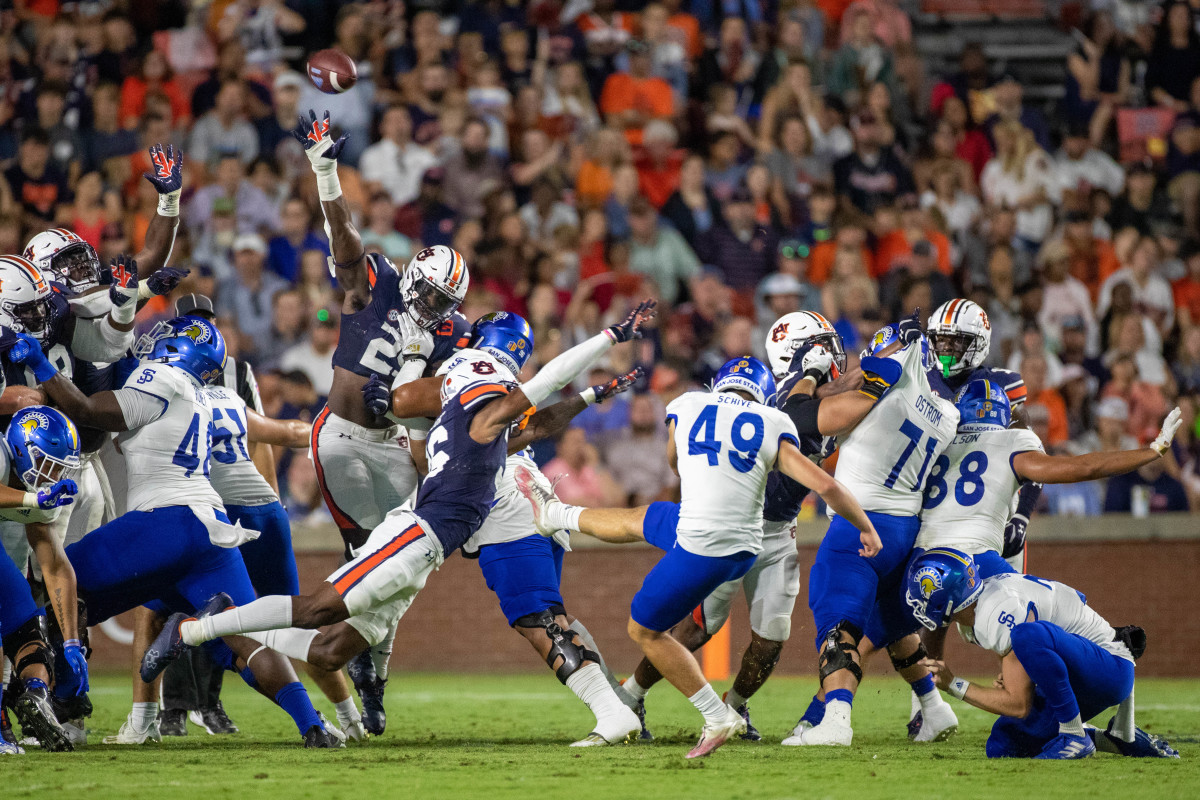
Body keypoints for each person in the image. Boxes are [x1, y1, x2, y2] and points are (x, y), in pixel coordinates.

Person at [145, 304, 657, 747]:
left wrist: (591, 397)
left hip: (428, 536)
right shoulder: (484, 408)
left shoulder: (466, 410)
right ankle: (198, 627)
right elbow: (533, 391)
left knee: (330, 647)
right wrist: (610, 337)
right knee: (320, 608)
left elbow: (515, 421)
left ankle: (333, 662)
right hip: (420, 533)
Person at [517, 354, 880, 758]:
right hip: (742, 537)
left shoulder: (688, 404)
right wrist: (866, 526)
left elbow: (674, 463)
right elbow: (827, 485)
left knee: (647, 628)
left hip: (714, 537)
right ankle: (556, 514)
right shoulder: (775, 421)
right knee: (645, 520)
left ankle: (720, 713)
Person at [7, 317, 340, 747]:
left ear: (179, 350)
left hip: (164, 522)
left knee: (58, 587)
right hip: (210, 532)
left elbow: (88, 411)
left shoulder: (160, 378)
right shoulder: (206, 395)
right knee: (244, 641)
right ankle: (311, 724)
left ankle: (70, 710)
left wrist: (42, 364)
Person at [294, 110, 471, 733]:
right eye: (427, 294)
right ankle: (336, 663)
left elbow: (442, 400)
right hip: (341, 437)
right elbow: (345, 244)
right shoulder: (377, 283)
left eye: (442, 304)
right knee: (362, 557)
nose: (429, 308)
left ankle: (375, 675)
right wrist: (325, 171)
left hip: (393, 442)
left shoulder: (450, 336)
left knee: (405, 560)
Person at [615, 312, 844, 741]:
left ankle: (735, 707)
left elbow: (851, 399)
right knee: (699, 625)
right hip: (734, 523)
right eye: (822, 347)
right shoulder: (767, 405)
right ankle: (632, 693)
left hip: (779, 531)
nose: (833, 355)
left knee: (773, 634)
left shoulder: (823, 396)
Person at [785, 318, 960, 747]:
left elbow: (803, 419)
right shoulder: (948, 412)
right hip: (904, 530)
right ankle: (935, 709)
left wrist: (809, 377)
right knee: (893, 627)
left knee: (837, 628)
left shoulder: (889, 373)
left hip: (860, 526)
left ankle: (836, 721)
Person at [910, 549, 1180, 759]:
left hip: (1110, 669)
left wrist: (954, 684)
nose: (921, 602)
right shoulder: (982, 606)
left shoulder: (996, 610)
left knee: (1027, 636)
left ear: (947, 596)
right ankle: (1118, 738)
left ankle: (1074, 735)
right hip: (1085, 667)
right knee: (1004, 744)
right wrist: (1011, 670)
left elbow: (1018, 704)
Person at [0, 405, 85, 753]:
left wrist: (71, 641)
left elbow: (54, 564)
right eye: (48, 464)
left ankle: (36, 697)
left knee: (30, 636)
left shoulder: (40, 492)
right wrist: (33, 498)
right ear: (23, 448)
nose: (52, 476)